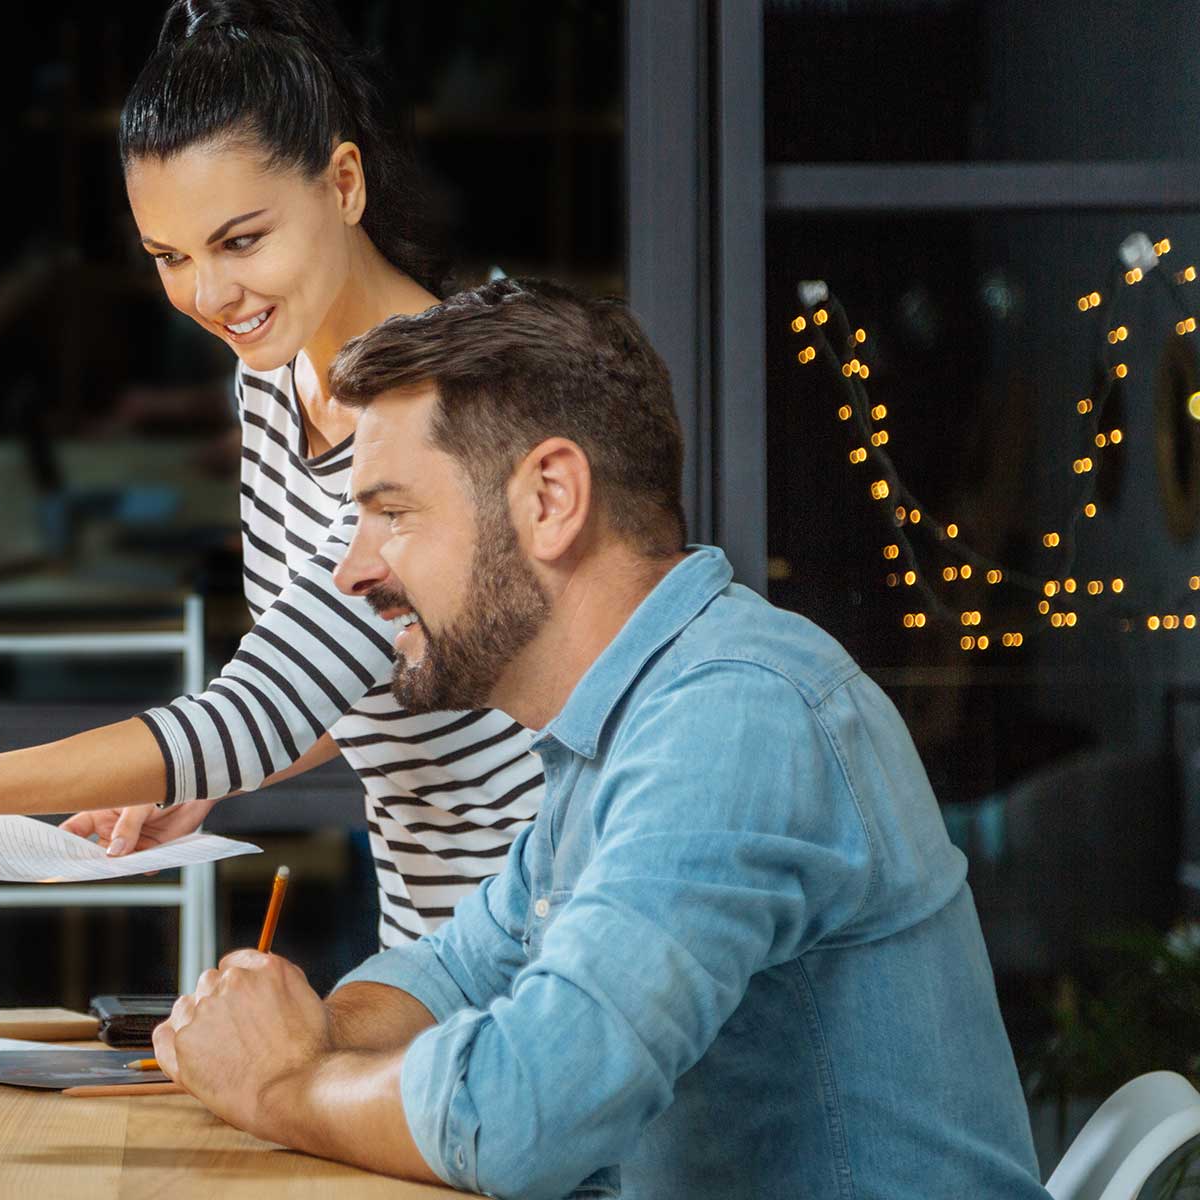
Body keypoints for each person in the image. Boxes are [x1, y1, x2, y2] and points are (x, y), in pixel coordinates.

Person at [151, 278, 1050, 1198]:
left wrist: (282, 1083)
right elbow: (452, 970)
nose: (352, 570)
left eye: (393, 513)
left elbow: (527, 1114)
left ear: (550, 498)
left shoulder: (733, 717)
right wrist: (303, 1038)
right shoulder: (614, 733)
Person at [0, 0, 547, 945]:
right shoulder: (272, 381)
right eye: (170, 256)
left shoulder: (441, 404)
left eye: (241, 241)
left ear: (344, 183)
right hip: (430, 943)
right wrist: (199, 779)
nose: (211, 294)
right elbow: (357, 666)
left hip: (545, 938)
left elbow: (266, 704)